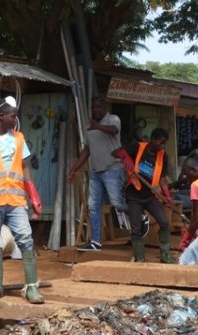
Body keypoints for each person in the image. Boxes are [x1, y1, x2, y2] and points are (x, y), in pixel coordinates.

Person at [0, 97, 45, 304]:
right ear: (1, 117)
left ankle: (31, 287)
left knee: (26, 239)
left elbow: (25, 168)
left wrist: (34, 195)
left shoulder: (19, 138)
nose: (16, 119)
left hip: (15, 200)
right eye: (13, 115)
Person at [67, 97, 147, 251]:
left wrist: (97, 126)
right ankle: (95, 242)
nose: (96, 110)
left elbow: (114, 130)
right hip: (96, 172)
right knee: (92, 206)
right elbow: (87, 150)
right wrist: (74, 169)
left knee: (117, 203)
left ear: (105, 108)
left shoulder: (113, 119)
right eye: (93, 107)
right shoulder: (89, 126)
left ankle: (141, 216)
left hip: (113, 169)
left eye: (99, 107)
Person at [114, 128, 174, 263]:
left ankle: (165, 255)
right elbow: (117, 152)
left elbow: (163, 179)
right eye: (160, 143)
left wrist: (167, 197)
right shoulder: (137, 147)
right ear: (152, 140)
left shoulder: (163, 156)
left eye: (164, 144)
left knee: (164, 222)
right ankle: (140, 257)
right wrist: (126, 159)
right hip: (134, 195)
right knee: (136, 228)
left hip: (150, 196)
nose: (162, 146)